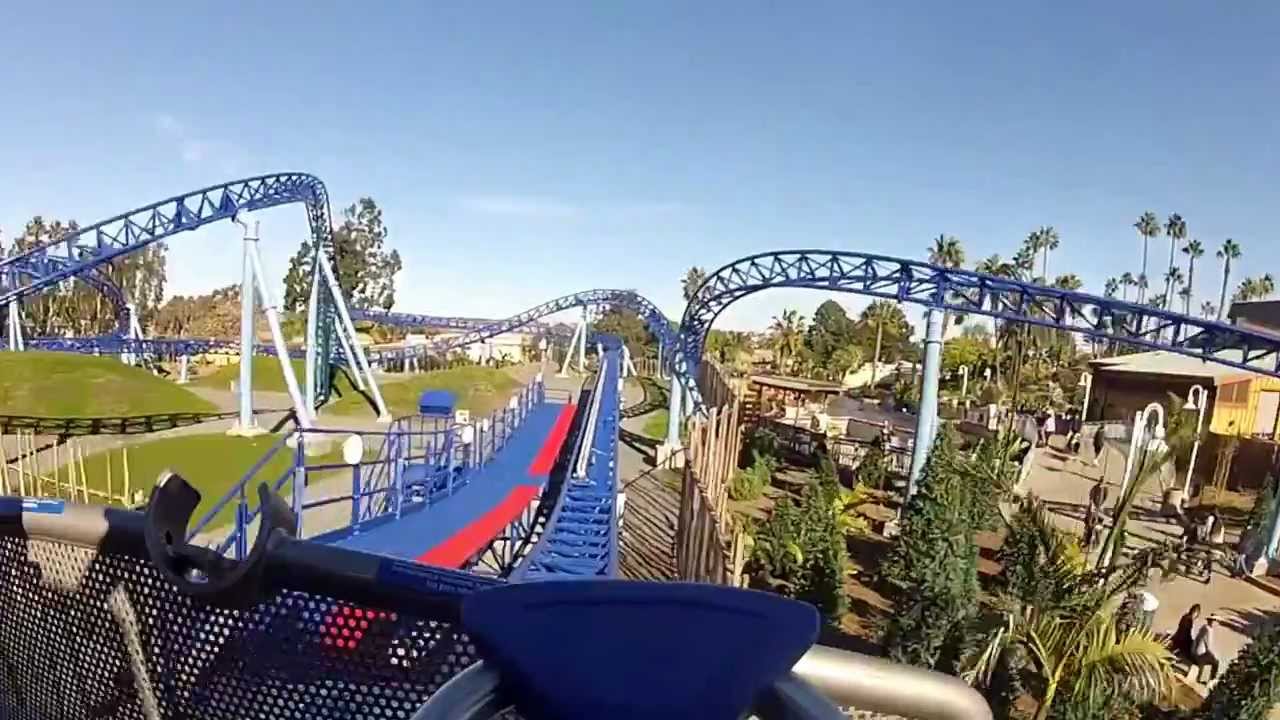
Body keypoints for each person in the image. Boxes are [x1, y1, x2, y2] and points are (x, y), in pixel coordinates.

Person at [1189, 615, 1221, 683]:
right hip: (1200, 654)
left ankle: (1199, 678)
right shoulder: (1208, 630)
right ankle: (1211, 679)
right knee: (1216, 662)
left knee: (1206, 660)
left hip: (1196, 652)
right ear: (1212, 621)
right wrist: (1213, 655)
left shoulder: (1204, 627)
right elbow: (1208, 646)